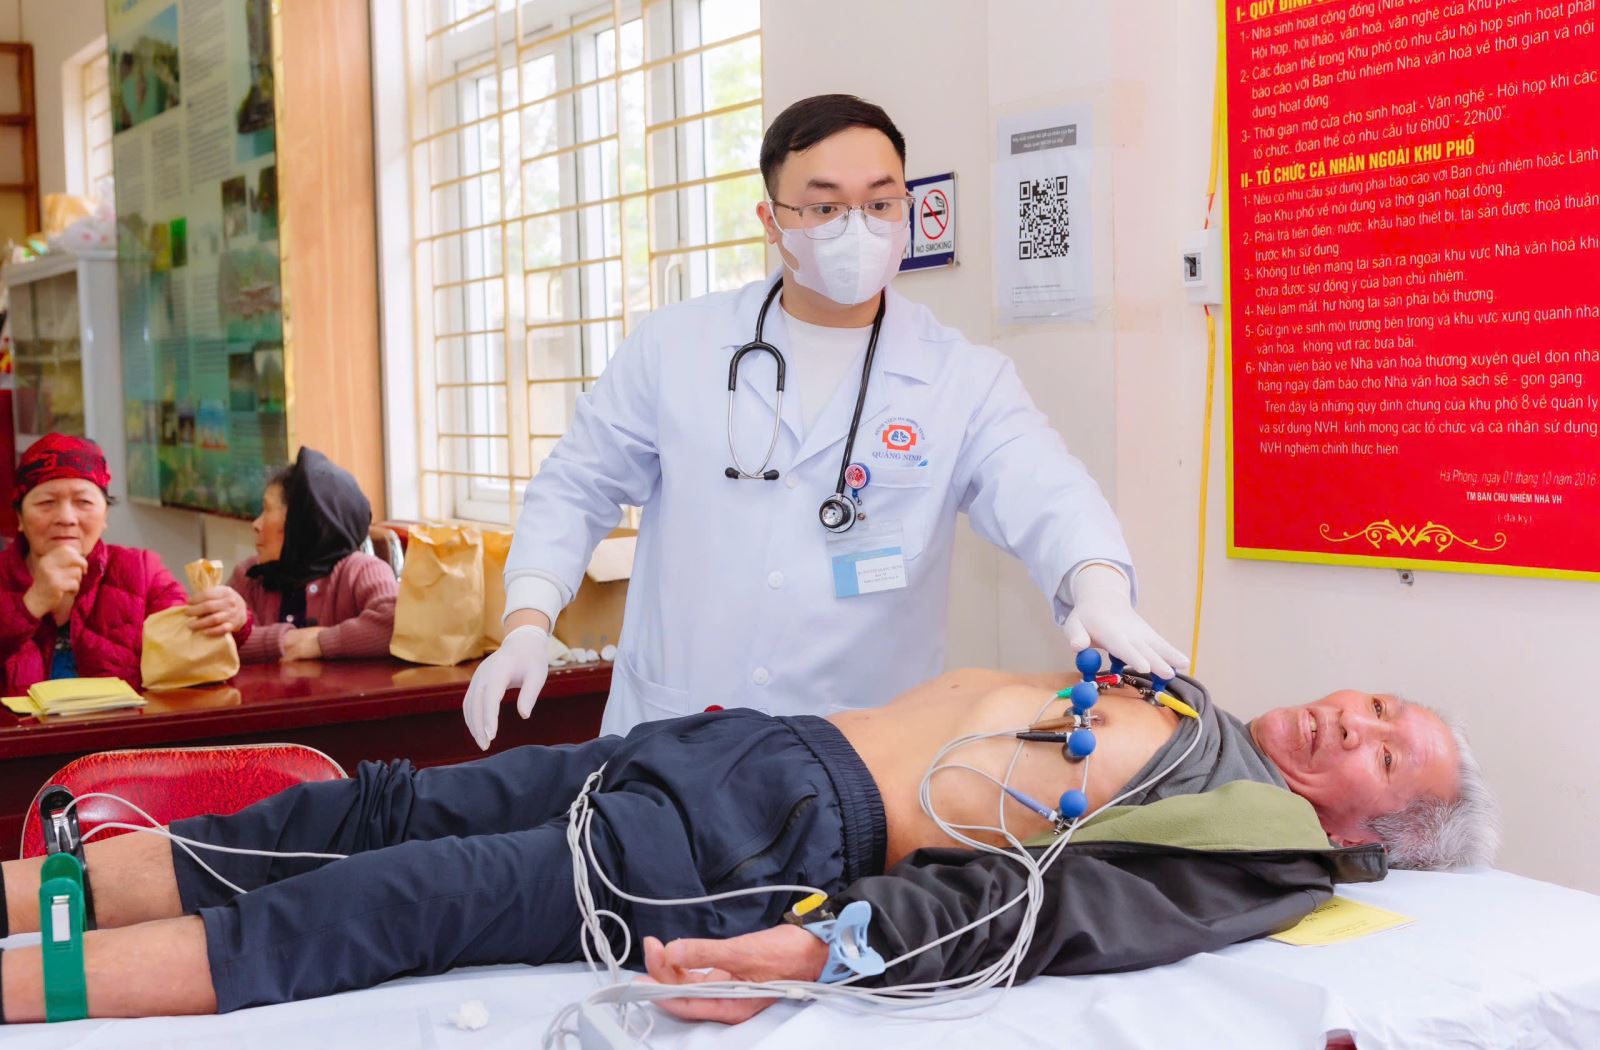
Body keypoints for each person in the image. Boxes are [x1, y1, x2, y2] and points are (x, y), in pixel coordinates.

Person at [0, 665, 1497, 1021]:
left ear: (1373, 830)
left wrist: (817, 948)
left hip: (778, 830)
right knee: (350, 811)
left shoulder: (1263, 845)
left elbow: (1048, 912)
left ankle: (30, 987)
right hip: (740, 749)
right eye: (1375, 700)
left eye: (1384, 749)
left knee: (394, 898)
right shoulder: (1194, 704)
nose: (1350, 718)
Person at [464, 94, 1187, 747]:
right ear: (772, 221)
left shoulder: (960, 377)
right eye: (824, 207)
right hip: (676, 731)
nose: (856, 228)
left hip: (860, 752)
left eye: (880, 203)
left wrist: (1098, 586)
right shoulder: (675, 347)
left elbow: (1047, 489)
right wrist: (529, 621)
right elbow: (577, 485)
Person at [0, 434, 251, 691]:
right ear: (19, 516)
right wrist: (30, 605)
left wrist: (231, 619)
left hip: (123, 719)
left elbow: (192, 653)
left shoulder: (142, 572)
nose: (66, 517)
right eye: (46, 503)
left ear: (105, 514)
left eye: (83, 502)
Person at [222, 448, 397, 663]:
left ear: (303, 521)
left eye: (267, 510)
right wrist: (287, 641)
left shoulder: (361, 571)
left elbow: (395, 624)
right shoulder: (250, 576)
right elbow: (217, 643)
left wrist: (320, 642)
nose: (256, 524)